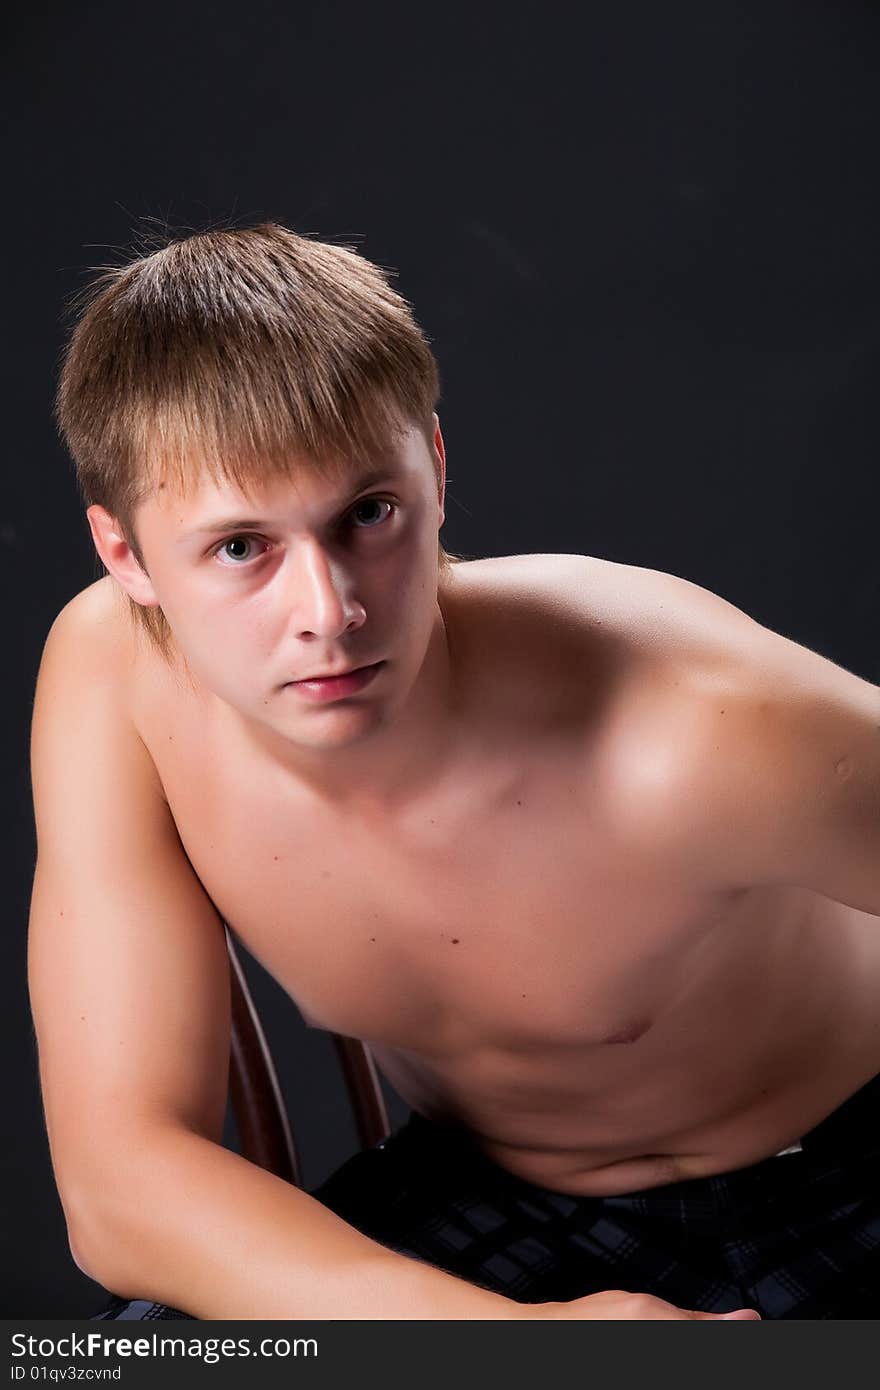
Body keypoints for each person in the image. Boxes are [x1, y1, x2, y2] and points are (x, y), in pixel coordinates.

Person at [28, 223, 880, 1322]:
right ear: (127, 557)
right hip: (497, 1196)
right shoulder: (115, 679)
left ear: (433, 467)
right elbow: (118, 1189)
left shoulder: (686, 719)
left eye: (367, 515)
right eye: (241, 547)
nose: (328, 613)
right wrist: (516, 1344)